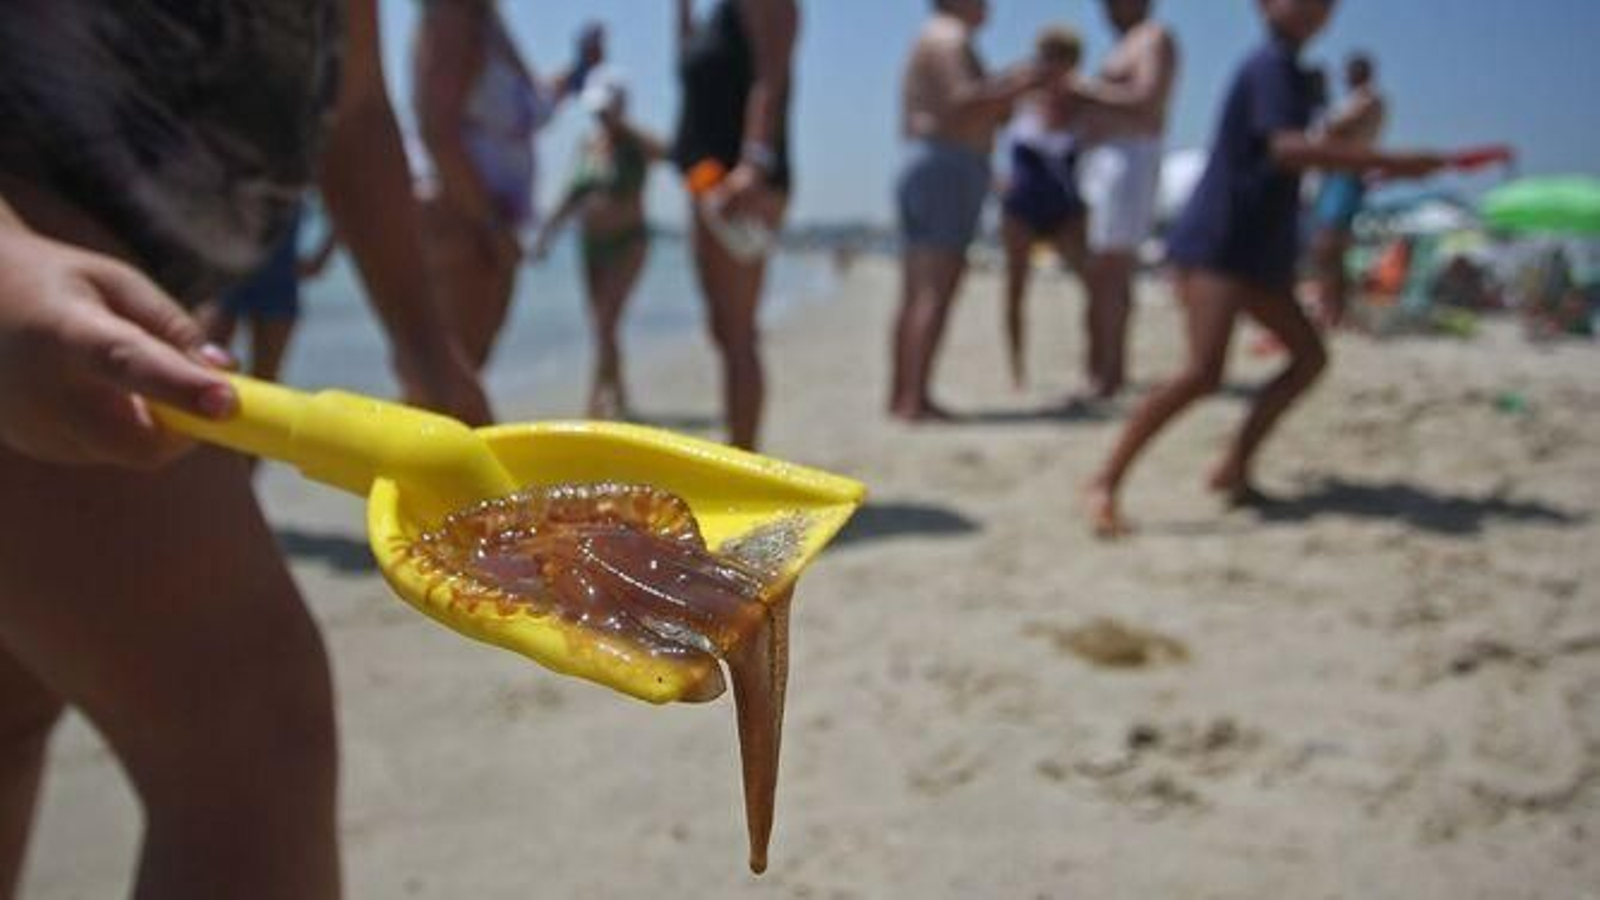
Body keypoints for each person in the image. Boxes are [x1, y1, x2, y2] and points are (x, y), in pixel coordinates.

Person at [0, 1, 491, 895]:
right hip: (37, 278)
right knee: (254, 732)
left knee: (17, 699)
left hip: (142, 297)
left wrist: (425, 341)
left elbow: (355, 107)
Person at [1084, 0, 1450, 537]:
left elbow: (1304, 144)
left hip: (1261, 246)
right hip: (1221, 240)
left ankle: (1234, 464)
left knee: (1307, 357)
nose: (1310, 10)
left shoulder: (1298, 74)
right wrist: (1387, 161)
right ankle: (1105, 481)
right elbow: (1285, 149)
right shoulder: (1269, 66)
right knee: (1202, 372)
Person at [414, 5, 603, 369]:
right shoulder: (455, 15)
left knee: (467, 363)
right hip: (462, 221)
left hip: (488, 224)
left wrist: (581, 68)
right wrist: (490, 226)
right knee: (445, 377)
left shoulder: (488, 21)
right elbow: (436, 129)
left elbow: (534, 107)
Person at [890, 0, 1044, 421]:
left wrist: (1006, 89)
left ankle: (904, 394)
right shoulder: (949, 37)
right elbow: (961, 104)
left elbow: (969, 105)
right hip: (947, 164)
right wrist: (1018, 83)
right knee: (936, 287)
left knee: (916, 290)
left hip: (932, 161)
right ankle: (915, 398)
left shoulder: (938, 36)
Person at [673, 0, 800, 450]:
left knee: (739, 332)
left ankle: (746, 459)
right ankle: (740, 449)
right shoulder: (712, 17)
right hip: (706, 183)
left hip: (742, 181)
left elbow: (771, 77)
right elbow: (688, 74)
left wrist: (753, 164)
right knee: (723, 331)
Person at [532, 72, 668, 420]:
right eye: (598, 111)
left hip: (628, 244)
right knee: (601, 325)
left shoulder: (636, 144)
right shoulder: (586, 143)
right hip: (590, 246)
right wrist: (547, 234)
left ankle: (593, 405)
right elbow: (571, 194)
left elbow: (668, 153)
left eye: (607, 110)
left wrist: (624, 127)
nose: (601, 117)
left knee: (607, 322)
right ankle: (619, 396)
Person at [1070, 0, 1179, 400]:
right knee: (1100, 272)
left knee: (1111, 270)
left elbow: (1147, 101)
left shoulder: (1153, 38)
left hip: (1129, 159)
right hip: (1106, 160)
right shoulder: (1129, 42)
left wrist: (1084, 91)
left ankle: (1108, 374)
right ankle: (1100, 368)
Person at [998, 27, 1090, 389]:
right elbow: (985, 121)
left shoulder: (1083, 100)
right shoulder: (1019, 97)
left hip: (1064, 204)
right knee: (1016, 288)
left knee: (1091, 284)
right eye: (1046, 55)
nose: (1050, 64)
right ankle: (1017, 368)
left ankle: (1094, 362)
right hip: (1022, 202)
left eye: (1059, 56)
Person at [196, 206, 339, 389]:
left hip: (277, 276)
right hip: (224, 274)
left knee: (265, 383)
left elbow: (344, 197)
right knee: (204, 369)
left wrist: (321, 258)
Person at [1308, 52, 1387, 328]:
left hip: (1346, 173)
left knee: (1328, 245)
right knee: (1330, 247)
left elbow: (1336, 128)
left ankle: (1332, 309)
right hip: (1342, 174)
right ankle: (1335, 307)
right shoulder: (1362, 100)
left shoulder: (1368, 99)